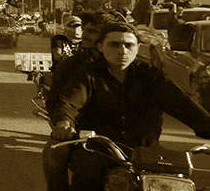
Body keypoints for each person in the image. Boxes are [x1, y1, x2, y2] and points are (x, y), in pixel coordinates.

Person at [50, 22, 210, 190]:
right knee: (87, 173)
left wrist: (205, 123)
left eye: (129, 45)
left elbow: (181, 103)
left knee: (173, 178)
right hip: (99, 148)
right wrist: (64, 124)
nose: (122, 51)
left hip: (143, 147)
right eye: (115, 44)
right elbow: (69, 104)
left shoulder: (149, 74)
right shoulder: (88, 75)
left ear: (138, 47)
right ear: (101, 47)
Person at [41, 12, 116, 191]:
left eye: (92, 31)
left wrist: (150, 132)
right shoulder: (70, 65)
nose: (84, 35)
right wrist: (64, 124)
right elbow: (56, 101)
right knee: (53, 155)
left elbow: (153, 104)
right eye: (85, 29)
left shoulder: (127, 66)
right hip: (79, 131)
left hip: (120, 133)